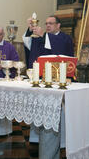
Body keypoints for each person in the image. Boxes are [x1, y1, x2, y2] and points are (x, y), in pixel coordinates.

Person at [23, 16, 74, 159]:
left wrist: (43, 35)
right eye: (46, 24)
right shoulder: (42, 37)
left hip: (59, 80)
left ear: (58, 25)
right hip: (43, 80)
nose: (48, 26)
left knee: (58, 111)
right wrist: (29, 30)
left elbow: (59, 51)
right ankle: (39, 139)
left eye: (51, 24)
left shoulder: (65, 38)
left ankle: (60, 142)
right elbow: (28, 46)